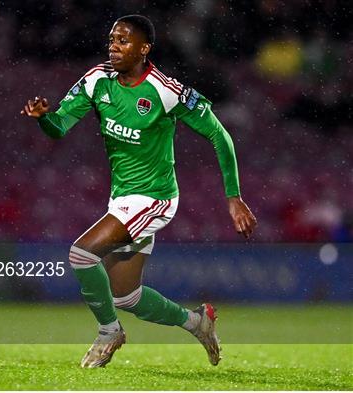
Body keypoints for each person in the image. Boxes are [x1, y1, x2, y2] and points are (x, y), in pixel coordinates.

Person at [21, 14, 257, 368]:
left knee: (81, 255)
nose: (114, 46)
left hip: (155, 198)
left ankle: (108, 333)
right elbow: (59, 128)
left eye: (123, 41)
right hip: (122, 198)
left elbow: (219, 134)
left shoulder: (166, 90)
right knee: (127, 296)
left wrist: (234, 197)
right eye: (112, 39)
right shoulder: (97, 80)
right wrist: (43, 118)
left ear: (144, 49)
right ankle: (198, 323)